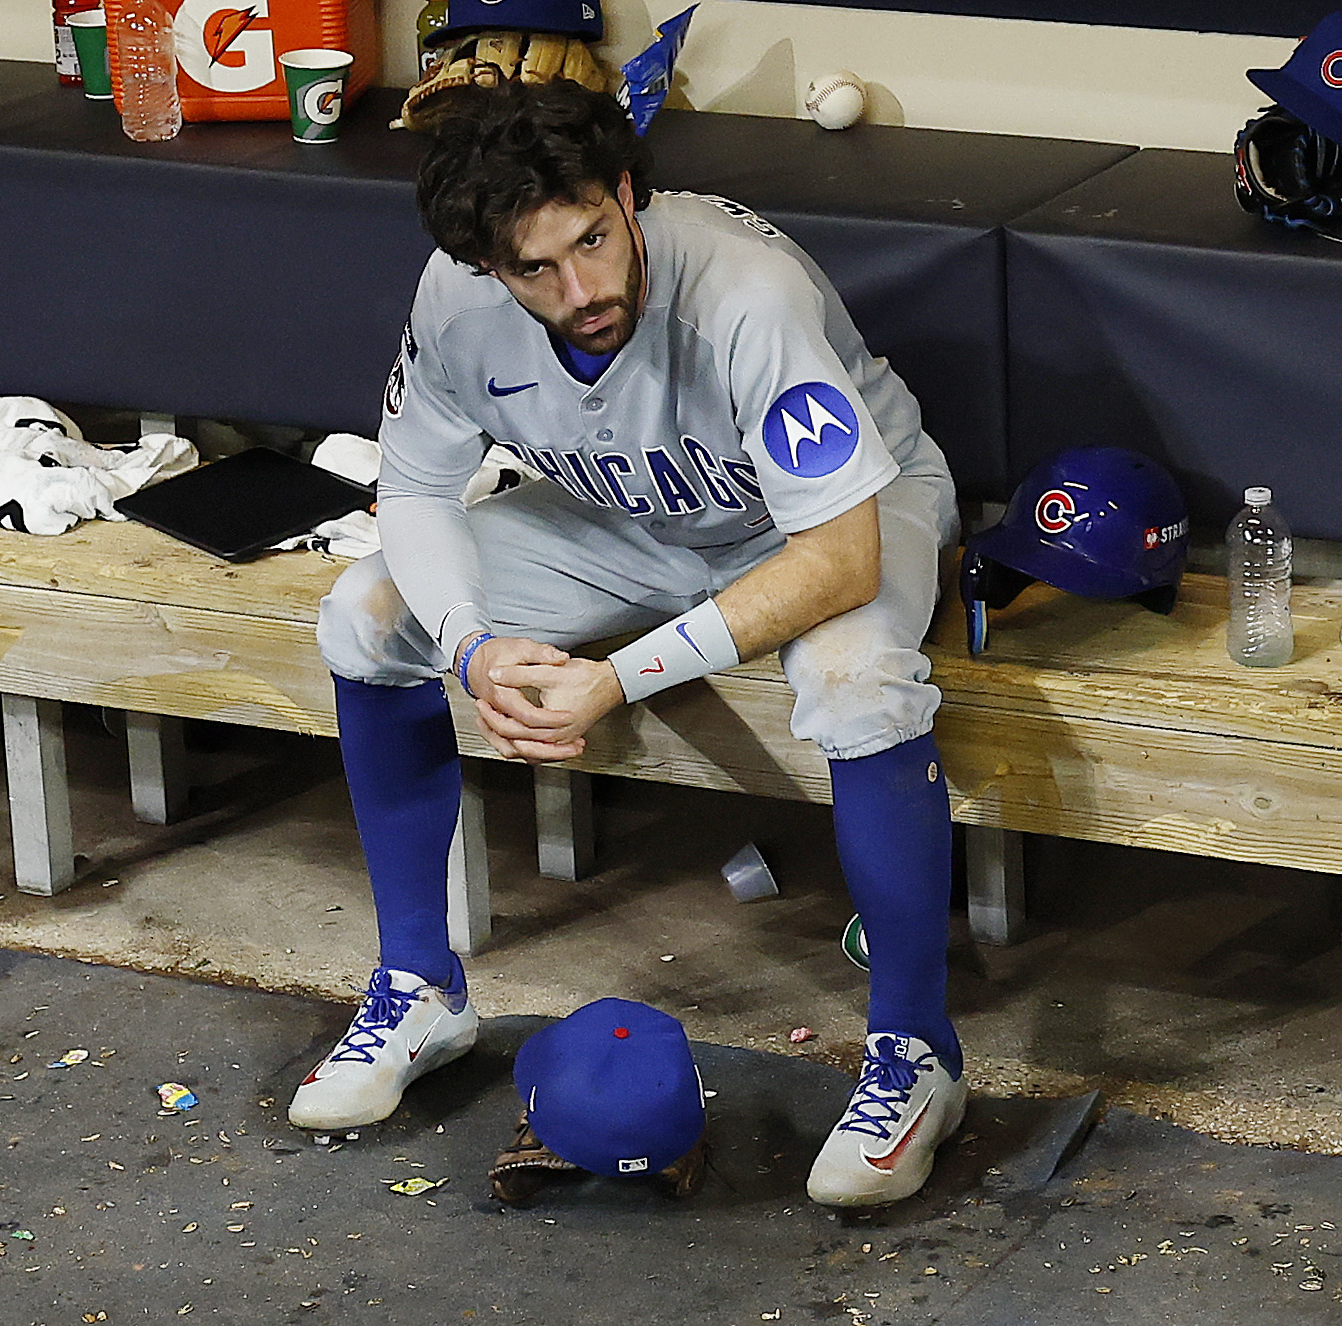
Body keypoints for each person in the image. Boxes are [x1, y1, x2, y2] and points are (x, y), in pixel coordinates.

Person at [290, 82, 966, 1208]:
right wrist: (470, 648)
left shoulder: (746, 293)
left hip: (834, 514)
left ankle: (918, 1053)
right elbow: (411, 489)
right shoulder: (457, 297)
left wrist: (617, 677)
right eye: (536, 269)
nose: (582, 290)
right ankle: (421, 988)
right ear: (488, 266)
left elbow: (841, 562)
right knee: (366, 612)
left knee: (856, 682)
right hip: (627, 516)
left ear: (625, 194)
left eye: (594, 241)